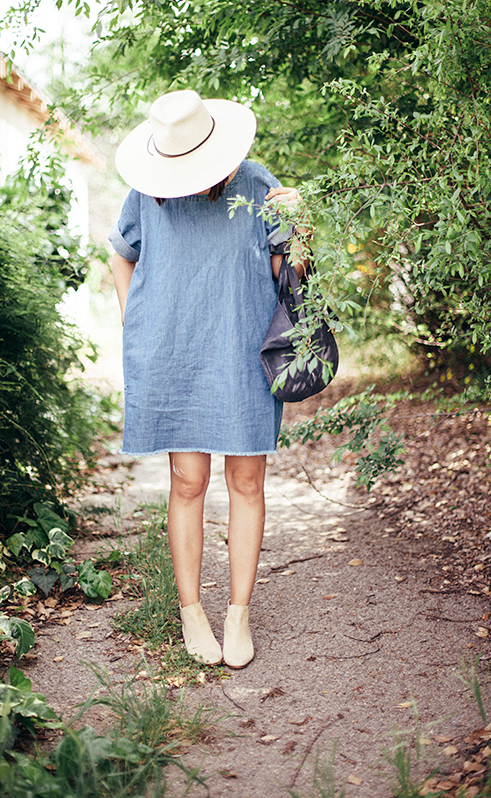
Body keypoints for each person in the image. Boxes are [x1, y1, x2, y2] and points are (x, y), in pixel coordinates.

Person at [109, 90, 306, 668]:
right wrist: (135, 323)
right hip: (174, 352)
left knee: (247, 480)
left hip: (243, 349)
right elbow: (121, 255)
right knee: (188, 480)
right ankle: (192, 609)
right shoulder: (146, 192)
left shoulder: (254, 182)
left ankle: (238, 612)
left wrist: (300, 229)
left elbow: (286, 271)